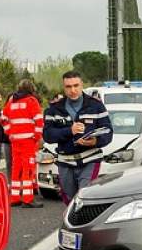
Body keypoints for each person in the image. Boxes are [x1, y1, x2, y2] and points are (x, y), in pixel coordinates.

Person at [44, 70, 113, 205]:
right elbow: (47, 135)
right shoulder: (54, 109)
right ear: (64, 88)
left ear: (82, 85)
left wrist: (96, 141)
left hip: (90, 159)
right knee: (70, 201)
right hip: (65, 161)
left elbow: (108, 131)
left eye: (76, 85)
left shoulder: (96, 105)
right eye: (68, 87)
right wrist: (69, 131)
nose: (73, 90)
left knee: (85, 196)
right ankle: (71, 224)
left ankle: (86, 225)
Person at [3, 79, 45, 207]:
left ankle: (15, 198)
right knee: (28, 168)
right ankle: (27, 199)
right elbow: (39, 120)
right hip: (28, 141)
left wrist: (10, 133)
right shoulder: (32, 101)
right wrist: (36, 136)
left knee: (16, 168)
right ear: (31, 89)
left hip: (15, 140)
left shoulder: (12, 101)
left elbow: (3, 118)